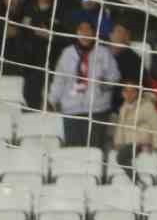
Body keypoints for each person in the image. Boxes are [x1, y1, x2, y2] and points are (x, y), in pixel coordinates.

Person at [48, 20, 121, 148]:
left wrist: (105, 83)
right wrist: (52, 100)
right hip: (71, 109)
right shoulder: (67, 53)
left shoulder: (103, 52)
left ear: (93, 33)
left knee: (94, 150)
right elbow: (59, 79)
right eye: (81, 30)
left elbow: (115, 76)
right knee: (74, 151)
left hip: (97, 109)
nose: (85, 33)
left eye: (88, 30)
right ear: (77, 33)